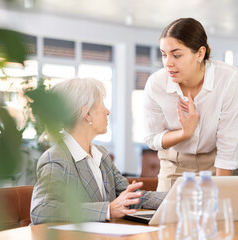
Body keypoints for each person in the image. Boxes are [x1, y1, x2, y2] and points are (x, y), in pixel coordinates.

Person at [30, 78, 166, 224]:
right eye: (102, 104)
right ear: (87, 113)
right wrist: (108, 210)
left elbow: (132, 197)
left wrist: (177, 197)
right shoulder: (56, 158)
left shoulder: (101, 155)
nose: (107, 111)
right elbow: (41, 210)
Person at [143, 18, 238, 192]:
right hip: (175, 165)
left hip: (218, 165)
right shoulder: (156, 84)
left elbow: (229, 144)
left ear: (200, 53)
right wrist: (184, 133)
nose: (168, 63)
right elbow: (152, 138)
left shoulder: (227, 78)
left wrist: (219, 194)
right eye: (164, 54)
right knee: (166, 218)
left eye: (176, 55)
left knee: (222, 216)